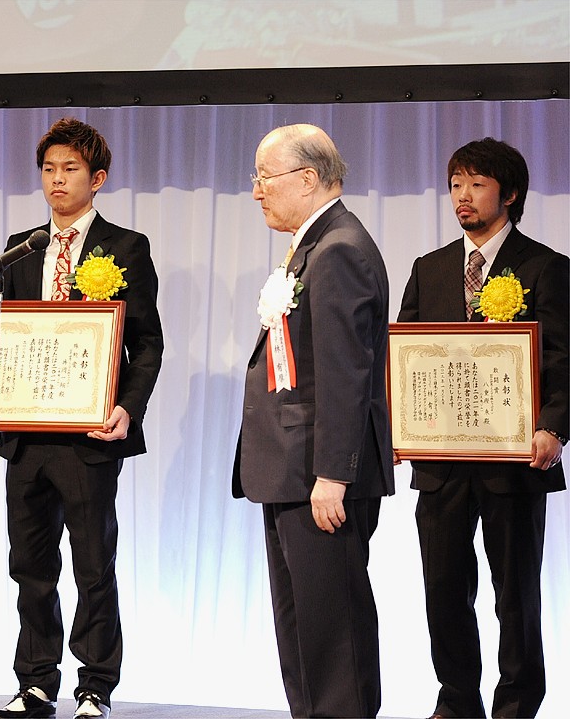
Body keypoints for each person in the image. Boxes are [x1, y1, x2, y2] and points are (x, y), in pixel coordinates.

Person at [0, 118, 163, 719]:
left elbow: (147, 343)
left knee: (94, 566)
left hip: (90, 435)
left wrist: (127, 408)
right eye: (48, 169)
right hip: (26, 433)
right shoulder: (23, 248)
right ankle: (36, 681)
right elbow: (2, 337)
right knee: (30, 568)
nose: (57, 180)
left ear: (98, 178)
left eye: (70, 169)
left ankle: (96, 686)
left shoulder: (126, 247)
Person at [397, 137, 568, 719]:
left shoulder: (545, 266)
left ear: (509, 193)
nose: (462, 196)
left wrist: (553, 428)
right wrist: (399, 427)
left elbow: (564, 359)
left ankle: (516, 704)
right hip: (442, 460)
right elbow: (407, 359)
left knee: (514, 595)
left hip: (514, 460)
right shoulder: (429, 268)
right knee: (443, 589)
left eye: (476, 184)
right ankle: (456, 700)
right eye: (455, 184)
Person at [232, 124, 394, 718]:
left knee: (333, 632)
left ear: (307, 179)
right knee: (301, 626)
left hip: (319, 478)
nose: (256, 191)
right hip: (290, 471)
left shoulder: (339, 249)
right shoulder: (313, 245)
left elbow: (345, 375)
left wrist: (334, 475)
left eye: (264, 178)